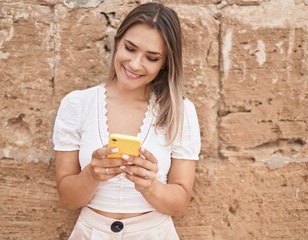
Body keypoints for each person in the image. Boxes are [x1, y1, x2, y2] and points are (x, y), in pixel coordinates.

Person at [52, 2, 201, 239]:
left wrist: (150, 185)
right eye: (130, 48)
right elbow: (67, 199)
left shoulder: (179, 111)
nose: (134, 64)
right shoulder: (77, 104)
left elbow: (180, 204)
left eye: (151, 58)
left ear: (164, 64)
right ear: (117, 43)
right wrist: (92, 174)